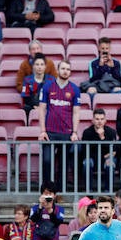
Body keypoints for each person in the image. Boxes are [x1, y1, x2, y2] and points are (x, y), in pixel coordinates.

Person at [38, 60, 80, 190]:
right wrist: (43, 130)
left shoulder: (74, 89)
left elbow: (76, 112)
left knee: (63, 164)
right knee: (47, 161)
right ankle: (46, 190)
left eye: (68, 69)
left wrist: (74, 132)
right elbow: (41, 109)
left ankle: (60, 192)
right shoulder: (47, 86)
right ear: (58, 70)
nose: (65, 71)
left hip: (66, 132)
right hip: (50, 132)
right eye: (63, 68)